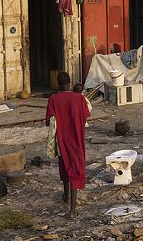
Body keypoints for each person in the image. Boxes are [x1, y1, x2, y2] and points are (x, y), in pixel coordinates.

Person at [45, 72, 90, 218]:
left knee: (64, 166)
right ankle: (72, 211)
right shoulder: (80, 99)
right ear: (70, 83)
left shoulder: (53, 99)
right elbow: (85, 119)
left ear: (58, 83)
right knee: (75, 170)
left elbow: (49, 121)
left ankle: (65, 196)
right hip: (76, 139)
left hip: (61, 139)